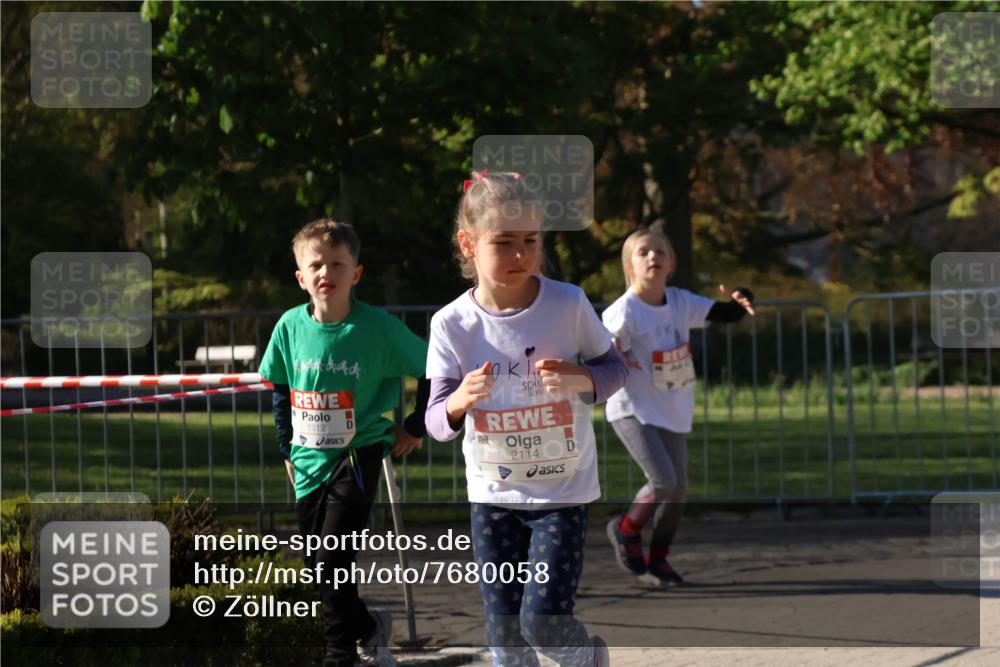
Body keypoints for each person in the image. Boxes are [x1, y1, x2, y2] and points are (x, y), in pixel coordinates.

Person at [425, 170, 627, 667]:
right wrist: (459, 401)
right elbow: (432, 418)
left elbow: (617, 368)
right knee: (505, 640)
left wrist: (581, 378)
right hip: (493, 497)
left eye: (531, 241)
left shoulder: (567, 302)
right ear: (468, 244)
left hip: (562, 491)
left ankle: (586, 656)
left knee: (541, 622)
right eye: (505, 242)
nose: (520, 254)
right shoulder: (451, 324)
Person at [258, 219, 429, 667]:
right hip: (307, 460)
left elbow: (435, 367)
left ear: (356, 273)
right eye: (315, 264)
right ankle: (369, 629)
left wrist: (415, 424)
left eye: (337, 263)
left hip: (359, 454)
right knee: (320, 568)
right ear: (300, 277)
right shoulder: (289, 326)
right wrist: (285, 448)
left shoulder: (378, 327)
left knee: (334, 557)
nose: (325, 272)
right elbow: (280, 389)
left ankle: (339, 654)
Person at [602, 226, 754, 587]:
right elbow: (600, 348)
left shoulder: (681, 302)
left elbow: (727, 314)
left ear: (672, 262)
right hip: (632, 408)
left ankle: (659, 558)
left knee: (679, 489)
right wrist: (617, 353)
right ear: (630, 265)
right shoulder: (625, 310)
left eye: (660, 251)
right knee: (663, 479)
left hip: (671, 406)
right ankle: (625, 530)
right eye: (643, 252)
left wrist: (742, 298)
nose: (652, 256)